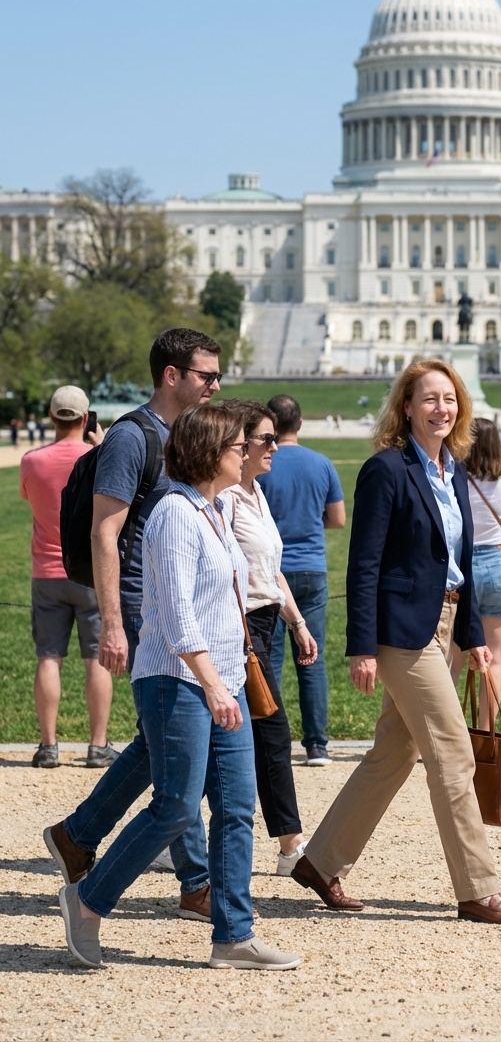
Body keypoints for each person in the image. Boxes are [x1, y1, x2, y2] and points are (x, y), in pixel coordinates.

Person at [56, 402, 301, 971]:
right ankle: (86, 900)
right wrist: (213, 684)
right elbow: (176, 613)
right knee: (174, 807)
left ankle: (234, 935)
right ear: (209, 451)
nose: (247, 453)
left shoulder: (215, 510)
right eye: (239, 446)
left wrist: (229, 677)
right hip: (177, 679)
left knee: (237, 807)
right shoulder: (174, 513)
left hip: (224, 679)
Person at [290, 359, 501, 925]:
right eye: (429, 399)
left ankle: (320, 862)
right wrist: (362, 646)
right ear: (405, 407)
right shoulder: (386, 470)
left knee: (394, 752)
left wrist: (471, 634)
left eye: (449, 399)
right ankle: (478, 888)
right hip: (401, 632)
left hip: (444, 624)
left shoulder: (457, 470)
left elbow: (461, 562)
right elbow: (364, 562)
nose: (441, 409)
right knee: (451, 750)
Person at [44, 329, 223, 924]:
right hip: (145, 611)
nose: (215, 385)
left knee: (160, 743)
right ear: (172, 376)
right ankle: (195, 879)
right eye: (206, 375)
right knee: (178, 738)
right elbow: (104, 532)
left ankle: (78, 834)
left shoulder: (185, 438)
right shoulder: (132, 437)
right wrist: (115, 622)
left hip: (175, 608)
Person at [221, 401, 318, 877]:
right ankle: (290, 847)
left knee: (223, 737)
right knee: (271, 732)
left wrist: (297, 622)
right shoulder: (224, 502)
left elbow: (269, 570)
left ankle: (169, 831)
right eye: (265, 439)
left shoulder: (256, 494)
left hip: (266, 622)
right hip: (238, 630)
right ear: (237, 445)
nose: (275, 446)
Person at [20, 386, 115, 769]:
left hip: (46, 570)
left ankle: (48, 746)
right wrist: (104, 444)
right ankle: (97, 745)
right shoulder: (98, 457)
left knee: (48, 658)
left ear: (51, 416)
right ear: (85, 417)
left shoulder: (32, 460)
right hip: (90, 570)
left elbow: (30, 499)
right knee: (95, 659)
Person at [259, 393, 346, 766]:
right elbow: (337, 519)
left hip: (270, 569)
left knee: (271, 658)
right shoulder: (321, 463)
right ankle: (317, 744)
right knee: (312, 657)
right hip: (311, 566)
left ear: (271, 426)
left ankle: (271, 740)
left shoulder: (262, 465)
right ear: (300, 424)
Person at [450, 418, 501, 732]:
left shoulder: (455, 474)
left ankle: (446, 733)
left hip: (462, 565)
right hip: (499, 562)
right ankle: (486, 730)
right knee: (494, 660)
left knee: (451, 660)